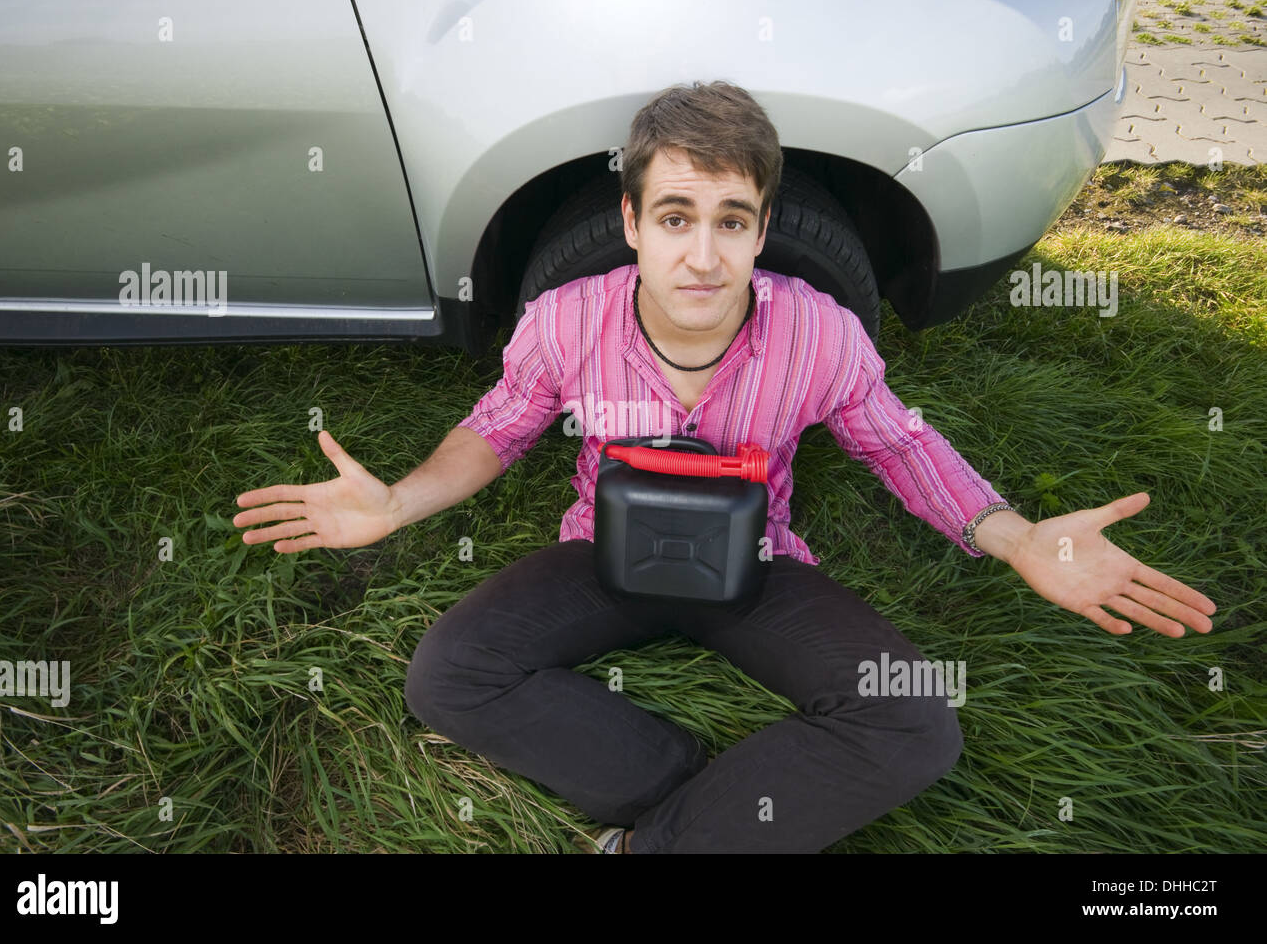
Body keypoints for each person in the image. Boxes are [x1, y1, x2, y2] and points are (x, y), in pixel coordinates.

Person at [232, 81, 1217, 854]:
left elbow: (899, 443)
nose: (701, 256)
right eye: (673, 216)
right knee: (448, 675)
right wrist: (399, 499)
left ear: (760, 226)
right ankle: (717, 797)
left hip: (758, 564)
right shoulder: (564, 321)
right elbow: (497, 428)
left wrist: (1014, 536)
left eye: (730, 220)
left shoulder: (817, 333)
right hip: (600, 554)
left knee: (913, 721)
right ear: (629, 222)